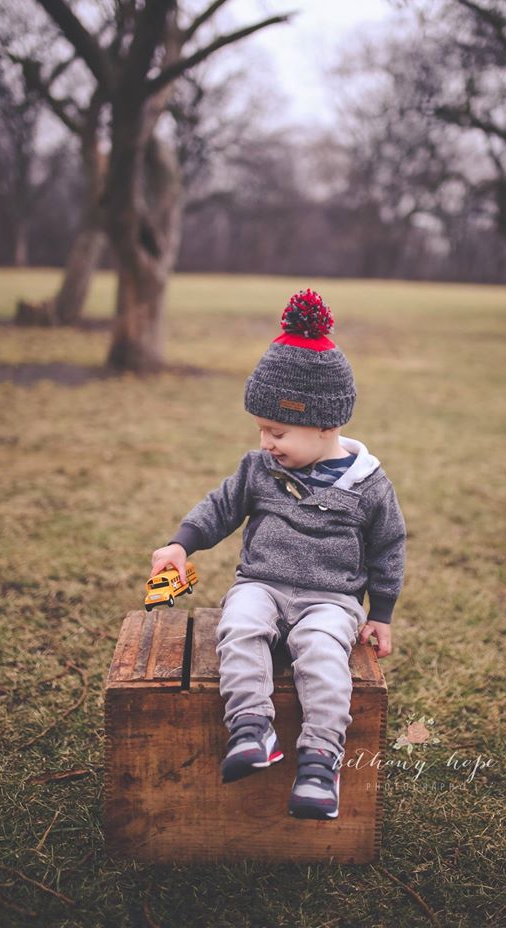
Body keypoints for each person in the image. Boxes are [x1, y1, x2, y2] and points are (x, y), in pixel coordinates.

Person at [150, 289, 406, 820]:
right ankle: (251, 729)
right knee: (238, 625)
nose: (266, 441)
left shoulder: (369, 486)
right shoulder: (259, 468)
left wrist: (379, 613)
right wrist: (181, 543)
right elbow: (220, 507)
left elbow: (388, 548)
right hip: (260, 585)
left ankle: (320, 761)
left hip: (330, 600)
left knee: (321, 654)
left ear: (325, 425)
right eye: (262, 429)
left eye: (278, 431)